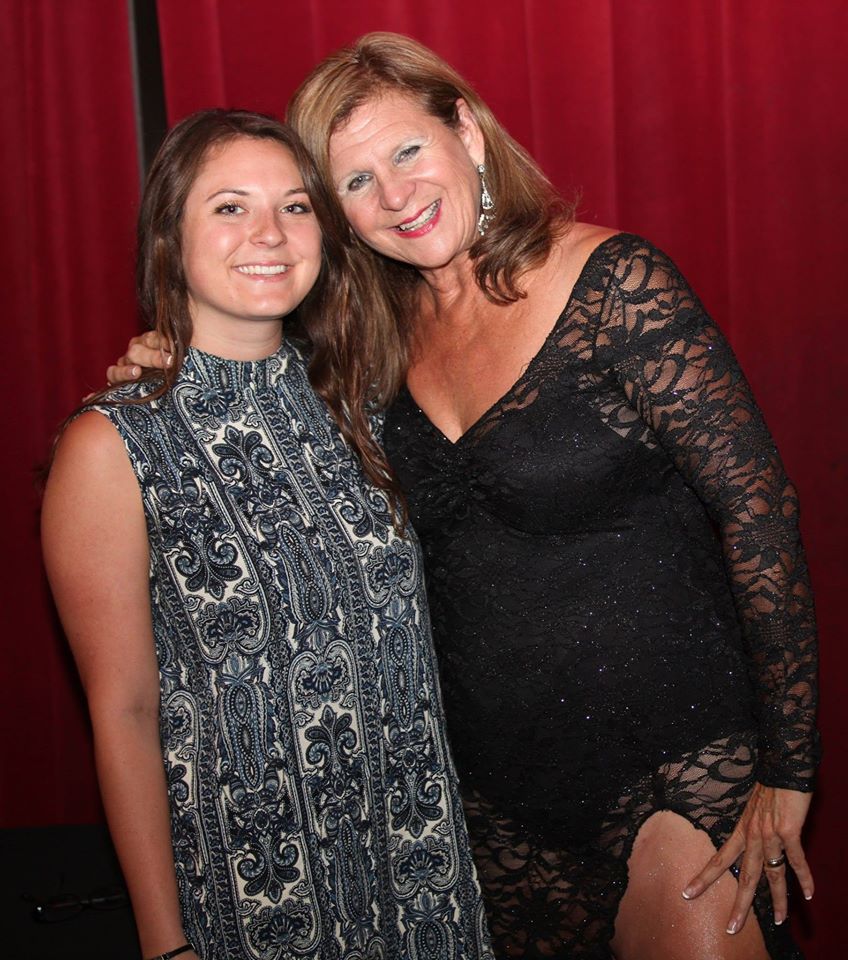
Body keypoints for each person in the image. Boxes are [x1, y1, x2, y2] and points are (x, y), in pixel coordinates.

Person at [109, 35, 820, 960]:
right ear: (342, 219)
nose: (395, 195)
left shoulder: (612, 284)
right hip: (484, 806)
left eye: (406, 151)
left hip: (671, 767)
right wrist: (167, 359)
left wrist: (791, 764)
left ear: (469, 135)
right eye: (357, 183)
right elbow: (244, 384)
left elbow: (759, 514)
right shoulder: (365, 350)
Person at [43, 109, 492, 960]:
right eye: (228, 207)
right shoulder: (112, 445)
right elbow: (125, 713)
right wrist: (163, 942)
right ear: (171, 236)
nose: (270, 233)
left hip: (422, 869)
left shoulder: (365, 404)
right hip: (257, 896)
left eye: (294, 206)